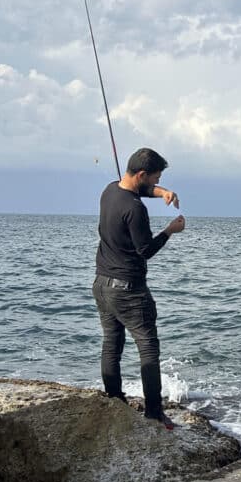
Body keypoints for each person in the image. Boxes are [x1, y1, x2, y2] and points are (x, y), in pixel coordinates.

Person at [93, 147, 185, 428]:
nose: (156, 184)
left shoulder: (110, 190)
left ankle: (113, 400)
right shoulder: (134, 209)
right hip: (128, 290)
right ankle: (155, 413)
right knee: (148, 348)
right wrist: (169, 231)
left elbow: (140, 191)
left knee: (112, 344)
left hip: (101, 285)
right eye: (155, 179)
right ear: (142, 174)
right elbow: (145, 250)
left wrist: (163, 193)